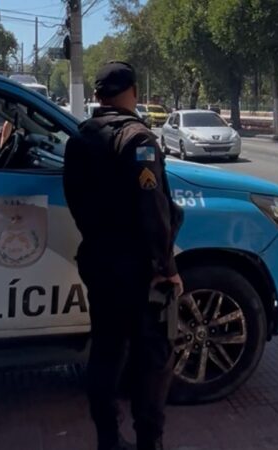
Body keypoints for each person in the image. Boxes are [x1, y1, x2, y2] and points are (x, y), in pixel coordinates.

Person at [63, 61, 184, 450]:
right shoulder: (139, 140)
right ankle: (150, 442)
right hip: (141, 271)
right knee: (153, 359)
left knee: (106, 352)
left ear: (98, 95)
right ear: (131, 91)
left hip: (98, 262)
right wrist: (167, 267)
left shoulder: (80, 139)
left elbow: (76, 201)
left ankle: (108, 439)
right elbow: (154, 211)